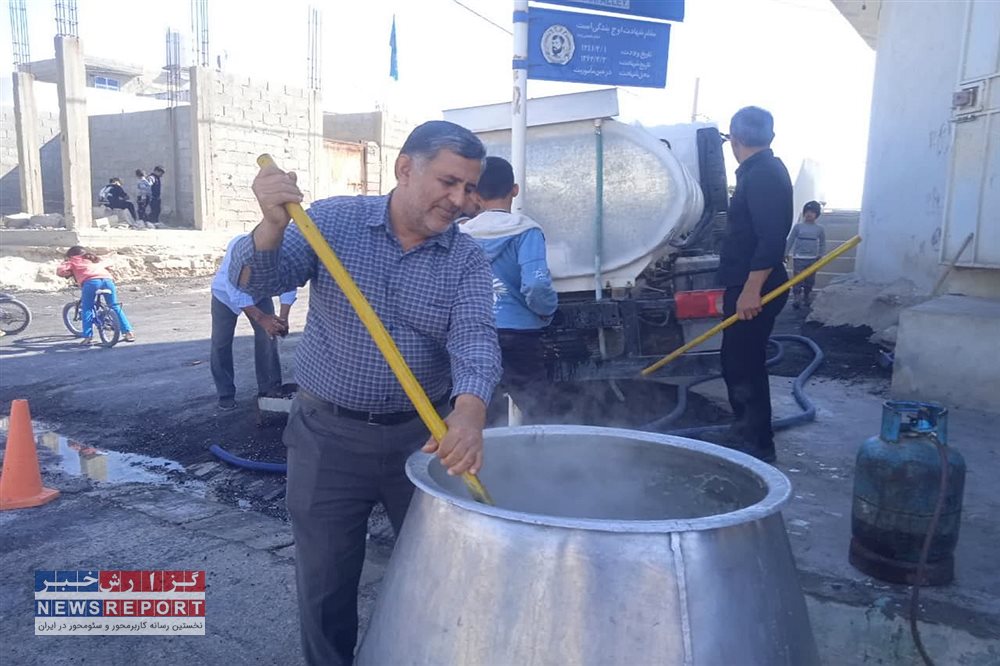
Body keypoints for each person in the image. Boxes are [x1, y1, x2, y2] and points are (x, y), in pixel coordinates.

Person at [230, 120, 501, 665]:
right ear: (405, 169)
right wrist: (270, 226)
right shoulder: (331, 222)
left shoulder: (465, 258)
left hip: (423, 441)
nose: (459, 200)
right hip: (326, 438)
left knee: (437, 579)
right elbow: (252, 282)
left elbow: (474, 338)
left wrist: (469, 413)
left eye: (469, 187)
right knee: (325, 586)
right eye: (449, 181)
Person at [715, 106, 793, 464]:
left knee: (744, 364)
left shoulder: (763, 174)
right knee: (736, 362)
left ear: (734, 138)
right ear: (770, 136)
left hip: (757, 286)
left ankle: (756, 444)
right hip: (749, 283)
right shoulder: (759, 171)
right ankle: (745, 431)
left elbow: (771, 238)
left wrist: (750, 290)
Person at [460, 156, 558, 423]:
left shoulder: (461, 235)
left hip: (475, 335)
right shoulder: (526, 231)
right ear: (514, 190)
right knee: (540, 413)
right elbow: (536, 284)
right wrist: (546, 311)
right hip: (521, 336)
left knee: (479, 415)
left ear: (476, 194)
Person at [211, 234, 297, 410]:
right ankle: (225, 394)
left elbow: (289, 284)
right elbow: (234, 289)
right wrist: (261, 318)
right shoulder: (242, 248)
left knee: (269, 336)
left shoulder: (286, 252)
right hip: (225, 295)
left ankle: (269, 390)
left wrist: (283, 318)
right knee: (221, 343)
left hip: (260, 294)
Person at [56, 246, 136, 345]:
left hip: (91, 283)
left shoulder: (72, 260)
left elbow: (60, 271)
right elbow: (108, 265)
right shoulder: (93, 259)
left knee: (87, 308)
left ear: (71, 255)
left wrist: (68, 271)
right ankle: (128, 332)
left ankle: (88, 336)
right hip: (108, 281)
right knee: (114, 306)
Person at [786, 200, 826, 309]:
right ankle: (797, 297)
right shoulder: (798, 227)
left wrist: (821, 255)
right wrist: (786, 253)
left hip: (813, 259)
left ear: (817, 214)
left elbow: (822, 243)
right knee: (797, 279)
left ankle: (807, 296)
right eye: (807, 211)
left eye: (812, 212)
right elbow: (790, 240)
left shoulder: (819, 229)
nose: (809, 214)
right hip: (799, 258)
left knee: (810, 280)